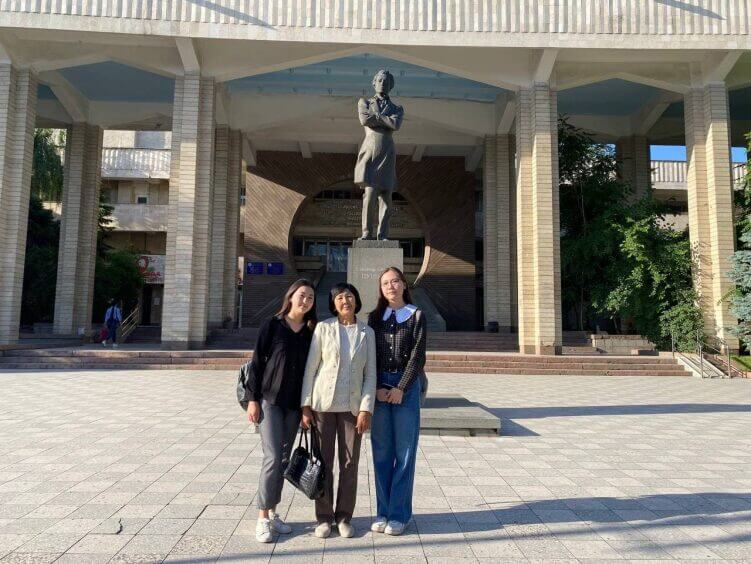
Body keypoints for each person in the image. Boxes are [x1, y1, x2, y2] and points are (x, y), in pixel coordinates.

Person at [237, 279, 317, 544]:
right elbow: (257, 363)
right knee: (272, 457)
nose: (305, 300)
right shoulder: (272, 325)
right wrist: (252, 399)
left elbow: (310, 372)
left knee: (283, 459)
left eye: (310, 297)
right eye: (302, 295)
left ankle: (272, 512)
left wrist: (306, 408)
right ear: (291, 296)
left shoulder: (310, 332)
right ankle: (262, 517)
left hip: (293, 405)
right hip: (269, 401)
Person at [301, 283, 377, 539]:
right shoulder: (323, 328)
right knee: (323, 462)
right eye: (340, 298)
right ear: (333, 304)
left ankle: (344, 517)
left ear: (357, 300)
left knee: (349, 463)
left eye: (350, 296)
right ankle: (323, 518)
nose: (346, 301)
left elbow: (370, 374)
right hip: (323, 406)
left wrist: (366, 409)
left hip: (352, 409)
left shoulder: (367, 332)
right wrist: (306, 405)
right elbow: (311, 368)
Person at [367, 267, 427, 536]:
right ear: (381, 289)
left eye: (395, 281)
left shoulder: (416, 315)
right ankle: (383, 512)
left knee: (405, 453)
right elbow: (369, 355)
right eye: (385, 283)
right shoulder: (374, 318)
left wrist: (401, 387)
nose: (390, 286)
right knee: (381, 452)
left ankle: (400, 515)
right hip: (380, 387)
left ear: (403, 284)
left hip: (407, 387)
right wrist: (376, 388)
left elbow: (418, 356)